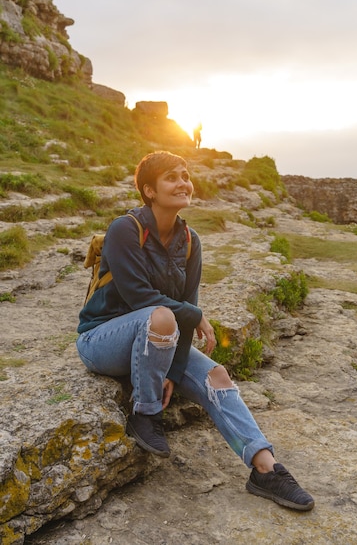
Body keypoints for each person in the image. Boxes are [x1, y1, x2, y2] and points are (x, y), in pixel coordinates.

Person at [76, 150, 314, 512]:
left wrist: (168, 368)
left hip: (159, 338)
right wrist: (194, 315)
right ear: (149, 190)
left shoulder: (190, 241)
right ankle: (146, 413)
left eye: (185, 175)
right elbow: (139, 296)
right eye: (171, 177)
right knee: (161, 316)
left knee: (216, 375)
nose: (183, 183)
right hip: (102, 340)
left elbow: (186, 307)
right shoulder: (125, 230)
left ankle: (266, 469)